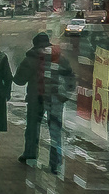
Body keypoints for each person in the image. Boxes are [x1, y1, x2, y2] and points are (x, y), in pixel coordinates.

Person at [13, 32, 74, 172]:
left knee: (33, 128)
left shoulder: (31, 59)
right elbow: (70, 79)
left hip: (37, 99)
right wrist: (65, 95)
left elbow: (19, 80)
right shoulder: (60, 59)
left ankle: (30, 156)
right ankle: (55, 163)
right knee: (55, 131)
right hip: (56, 99)